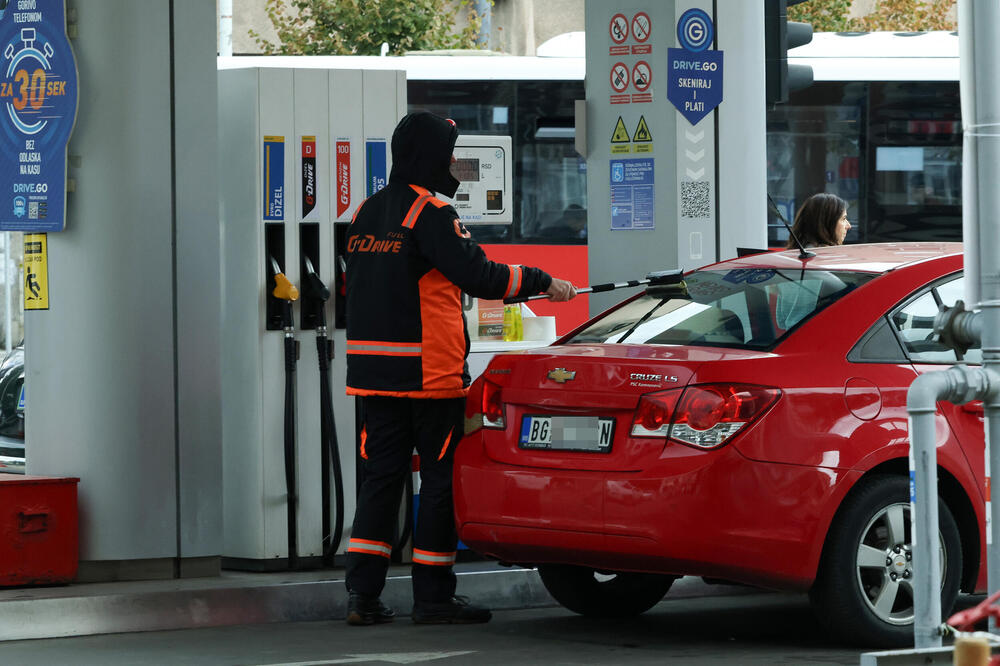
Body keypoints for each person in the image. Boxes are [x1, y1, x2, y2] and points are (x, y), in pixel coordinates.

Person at [343, 111, 576, 626]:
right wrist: (542, 280)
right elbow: (480, 275)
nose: (454, 163)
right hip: (430, 379)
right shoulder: (432, 214)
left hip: (373, 379)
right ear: (429, 156)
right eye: (449, 152)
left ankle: (362, 596)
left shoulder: (366, 212)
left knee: (380, 480)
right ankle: (433, 597)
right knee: (442, 480)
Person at [785, 193, 851, 248]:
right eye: (843, 219)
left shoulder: (804, 253)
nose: (849, 226)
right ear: (826, 223)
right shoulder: (824, 258)